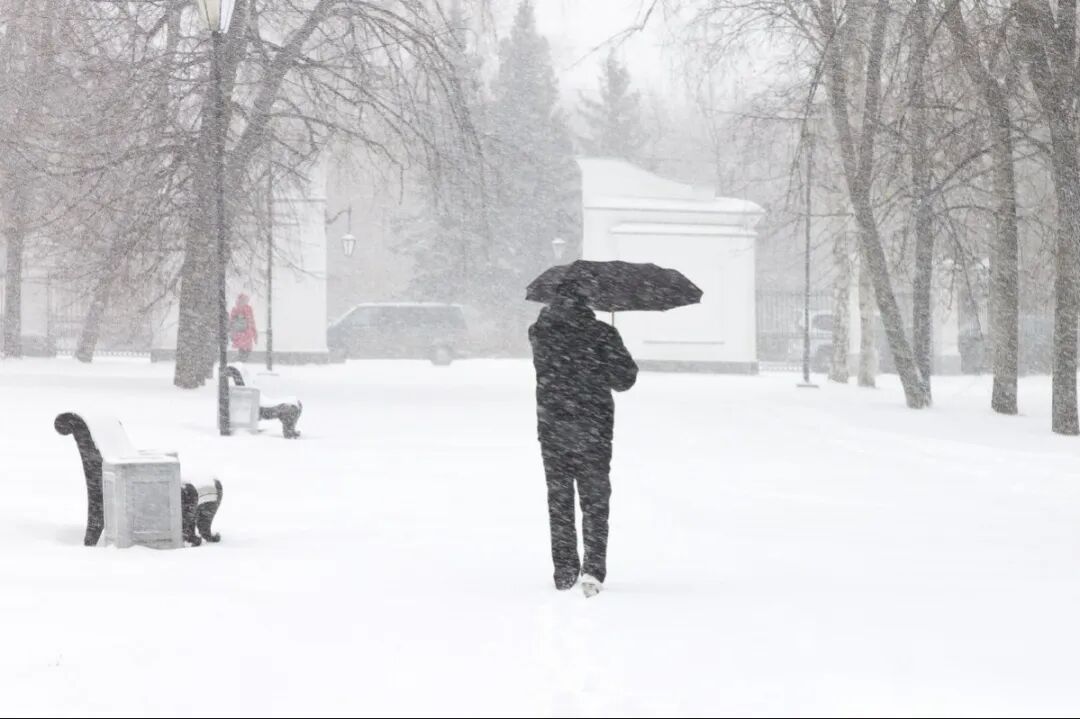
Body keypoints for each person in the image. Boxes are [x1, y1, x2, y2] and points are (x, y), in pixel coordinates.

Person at [528, 280, 638, 597]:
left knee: (559, 501)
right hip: (594, 428)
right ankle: (593, 568)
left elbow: (555, 369)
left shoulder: (539, 332)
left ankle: (564, 570)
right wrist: (609, 349)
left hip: (553, 428)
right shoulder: (602, 334)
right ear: (588, 299)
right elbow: (625, 379)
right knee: (595, 502)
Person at [229, 293, 258, 362]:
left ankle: (239, 363)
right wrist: (254, 333)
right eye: (244, 300)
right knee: (245, 351)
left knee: (244, 351)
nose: (246, 301)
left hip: (242, 333)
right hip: (244, 333)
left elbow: (231, 322)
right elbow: (251, 321)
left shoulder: (236, 308)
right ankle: (239, 363)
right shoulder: (245, 309)